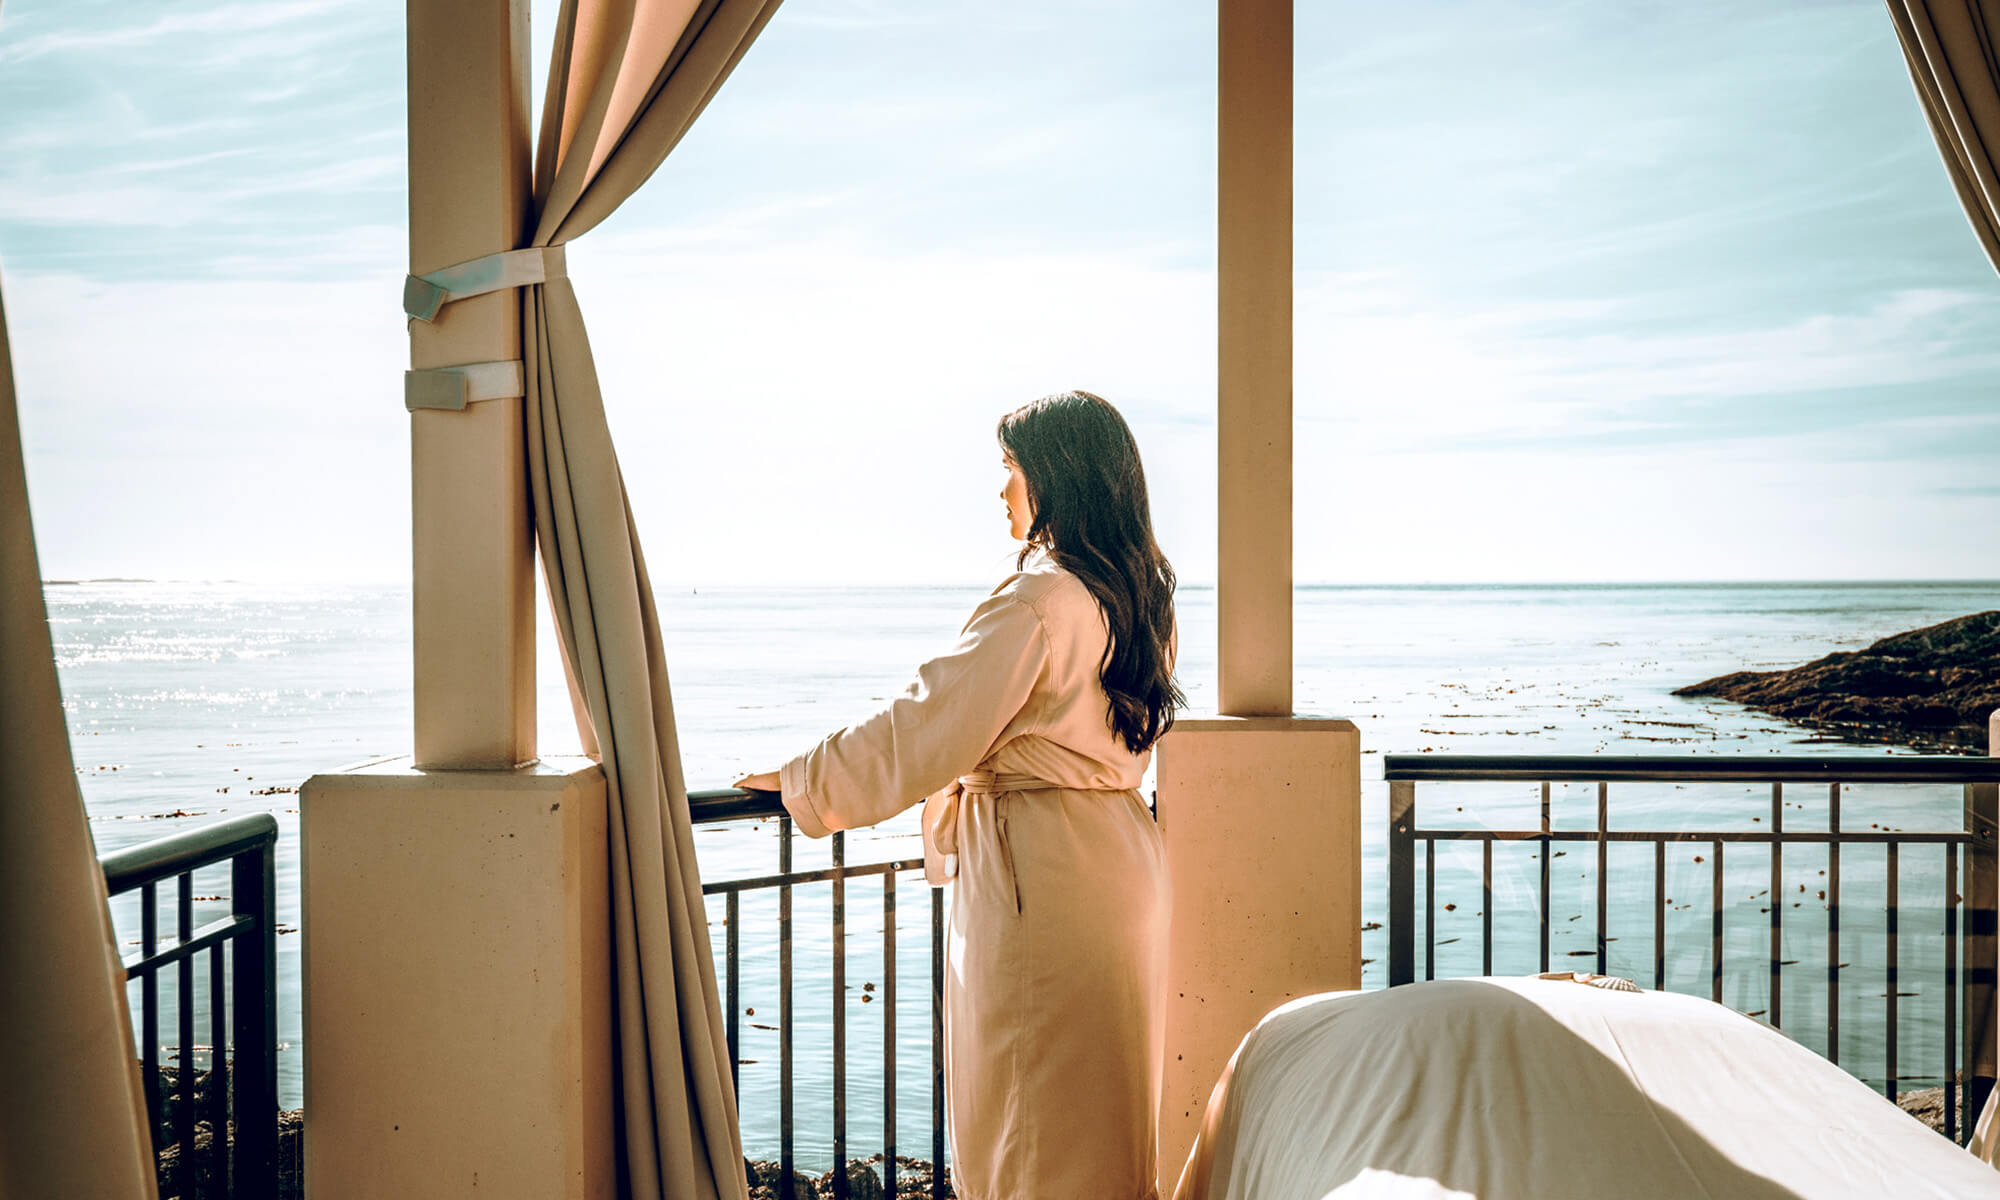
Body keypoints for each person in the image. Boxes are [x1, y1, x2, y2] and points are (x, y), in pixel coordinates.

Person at [735, 389, 1185, 1200]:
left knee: (1030, 1112)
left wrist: (804, 778)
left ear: (1059, 478)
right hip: (1117, 864)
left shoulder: (1042, 599)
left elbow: (929, 722)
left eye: (1012, 470)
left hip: (1044, 879)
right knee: (1099, 1109)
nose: (1002, 491)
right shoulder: (1139, 599)